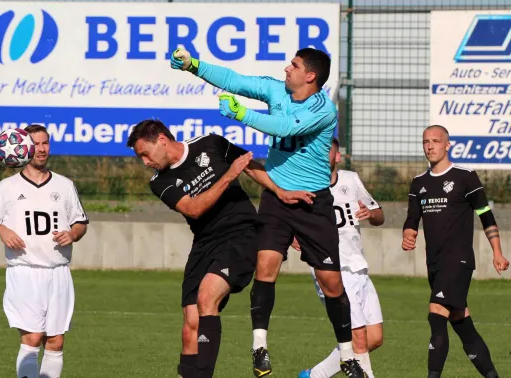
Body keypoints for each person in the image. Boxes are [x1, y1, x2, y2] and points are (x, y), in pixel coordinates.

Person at [171, 48, 367, 377]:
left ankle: (347, 354)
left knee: (331, 283)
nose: (286, 68)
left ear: (311, 76)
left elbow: (286, 127)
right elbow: (236, 80)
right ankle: (259, 346)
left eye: (294, 65)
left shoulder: (324, 110)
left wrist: (241, 115)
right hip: (276, 198)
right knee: (266, 264)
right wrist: (193, 66)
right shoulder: (277, 89)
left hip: (312, 202)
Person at [126, 119, 313, 378]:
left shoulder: (210, 143)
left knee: (207, 297)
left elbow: (249, 167)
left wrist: (280, 193)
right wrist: (228, 175)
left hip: (242, 235)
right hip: (204, 243)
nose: (145, 162)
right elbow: (194, 208)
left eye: (144, 154)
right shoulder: (160, 182)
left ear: (161, 139)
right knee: (191, 320)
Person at [0, 124, 89, 378]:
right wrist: (2, 230)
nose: (41, 149)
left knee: (55, 342)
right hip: (24, 271)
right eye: (36, 144)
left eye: (45, 143)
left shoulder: (64, 185)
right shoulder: (6, 187)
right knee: (32, 337)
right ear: (23, 148)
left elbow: (80, 223)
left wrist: (72, 233)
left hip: (58, 272)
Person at [402, 125, 510, 378]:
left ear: (447, 145)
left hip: (459, 260)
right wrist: (409, 233)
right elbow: (411, 218)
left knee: (437, 313)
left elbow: (485, 214)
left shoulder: (465, 177)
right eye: (426, 142)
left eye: (436, 141)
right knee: (462, 323)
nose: (430, 146)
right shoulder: (419, 183)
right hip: (435, 263)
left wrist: (497, 251)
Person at [296, 138, 384, 378]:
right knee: (358, 339)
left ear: (337, 157)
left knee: (374, 338)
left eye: (328, 151)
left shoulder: (351, 180)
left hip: (358, 267)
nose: (323, 155)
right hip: (332, 270)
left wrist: (370, 213)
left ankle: (315, 375)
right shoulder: (305, 185)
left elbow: (379, 215)